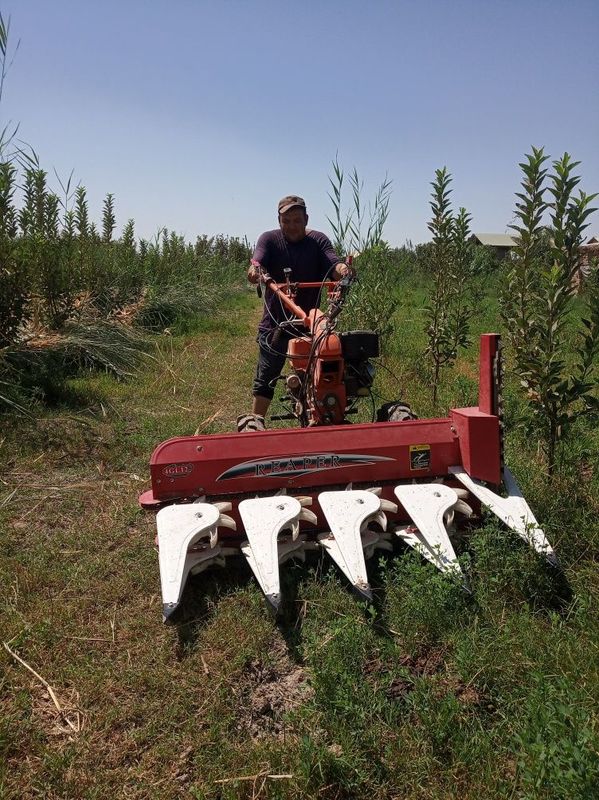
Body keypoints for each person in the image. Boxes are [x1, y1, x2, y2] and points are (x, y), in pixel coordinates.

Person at [237, 195, 352, 432]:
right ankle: (255, 427)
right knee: (266, 377)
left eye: (297, 220)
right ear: (279, 220)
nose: (291, 225)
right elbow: (256, 262)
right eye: (286, 220)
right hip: (276, 324)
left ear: (306, 219)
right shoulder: (269, 240)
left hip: (310, 324)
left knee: (328, 370)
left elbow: (333, 263)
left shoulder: (318, 240)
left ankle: (326, 420)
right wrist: (255, 272)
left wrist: (344, 270)